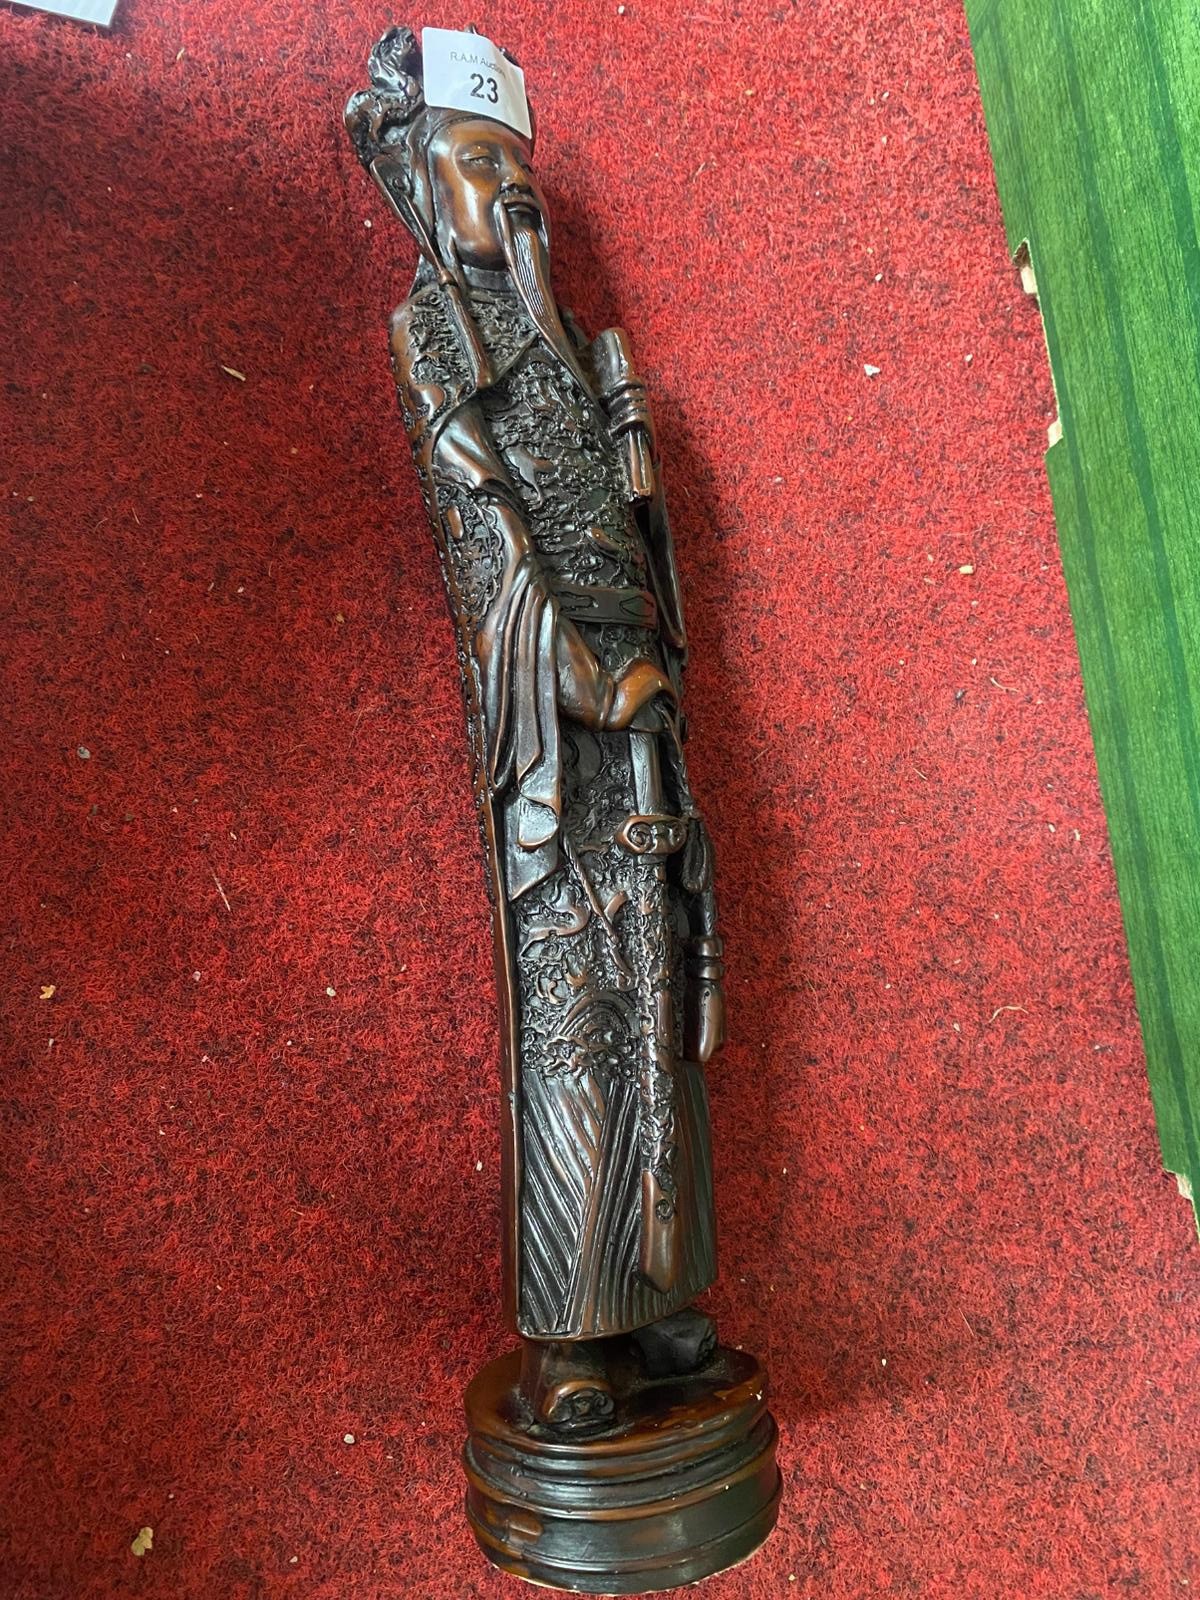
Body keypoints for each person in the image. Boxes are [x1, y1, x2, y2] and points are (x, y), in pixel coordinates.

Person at [347, 27, 728, 1430]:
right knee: (575, 1001)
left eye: (525, 170)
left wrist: (645, 519)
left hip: (642, 696)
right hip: (550, 713)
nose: (514, 192)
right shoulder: (436, 333)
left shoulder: (571, 345)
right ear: (417, 181)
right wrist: (572, 671)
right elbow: (478, 522)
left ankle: (666, 1288)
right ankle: (574, 1332)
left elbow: (632, 528)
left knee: (662, 979)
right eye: (479, 161)